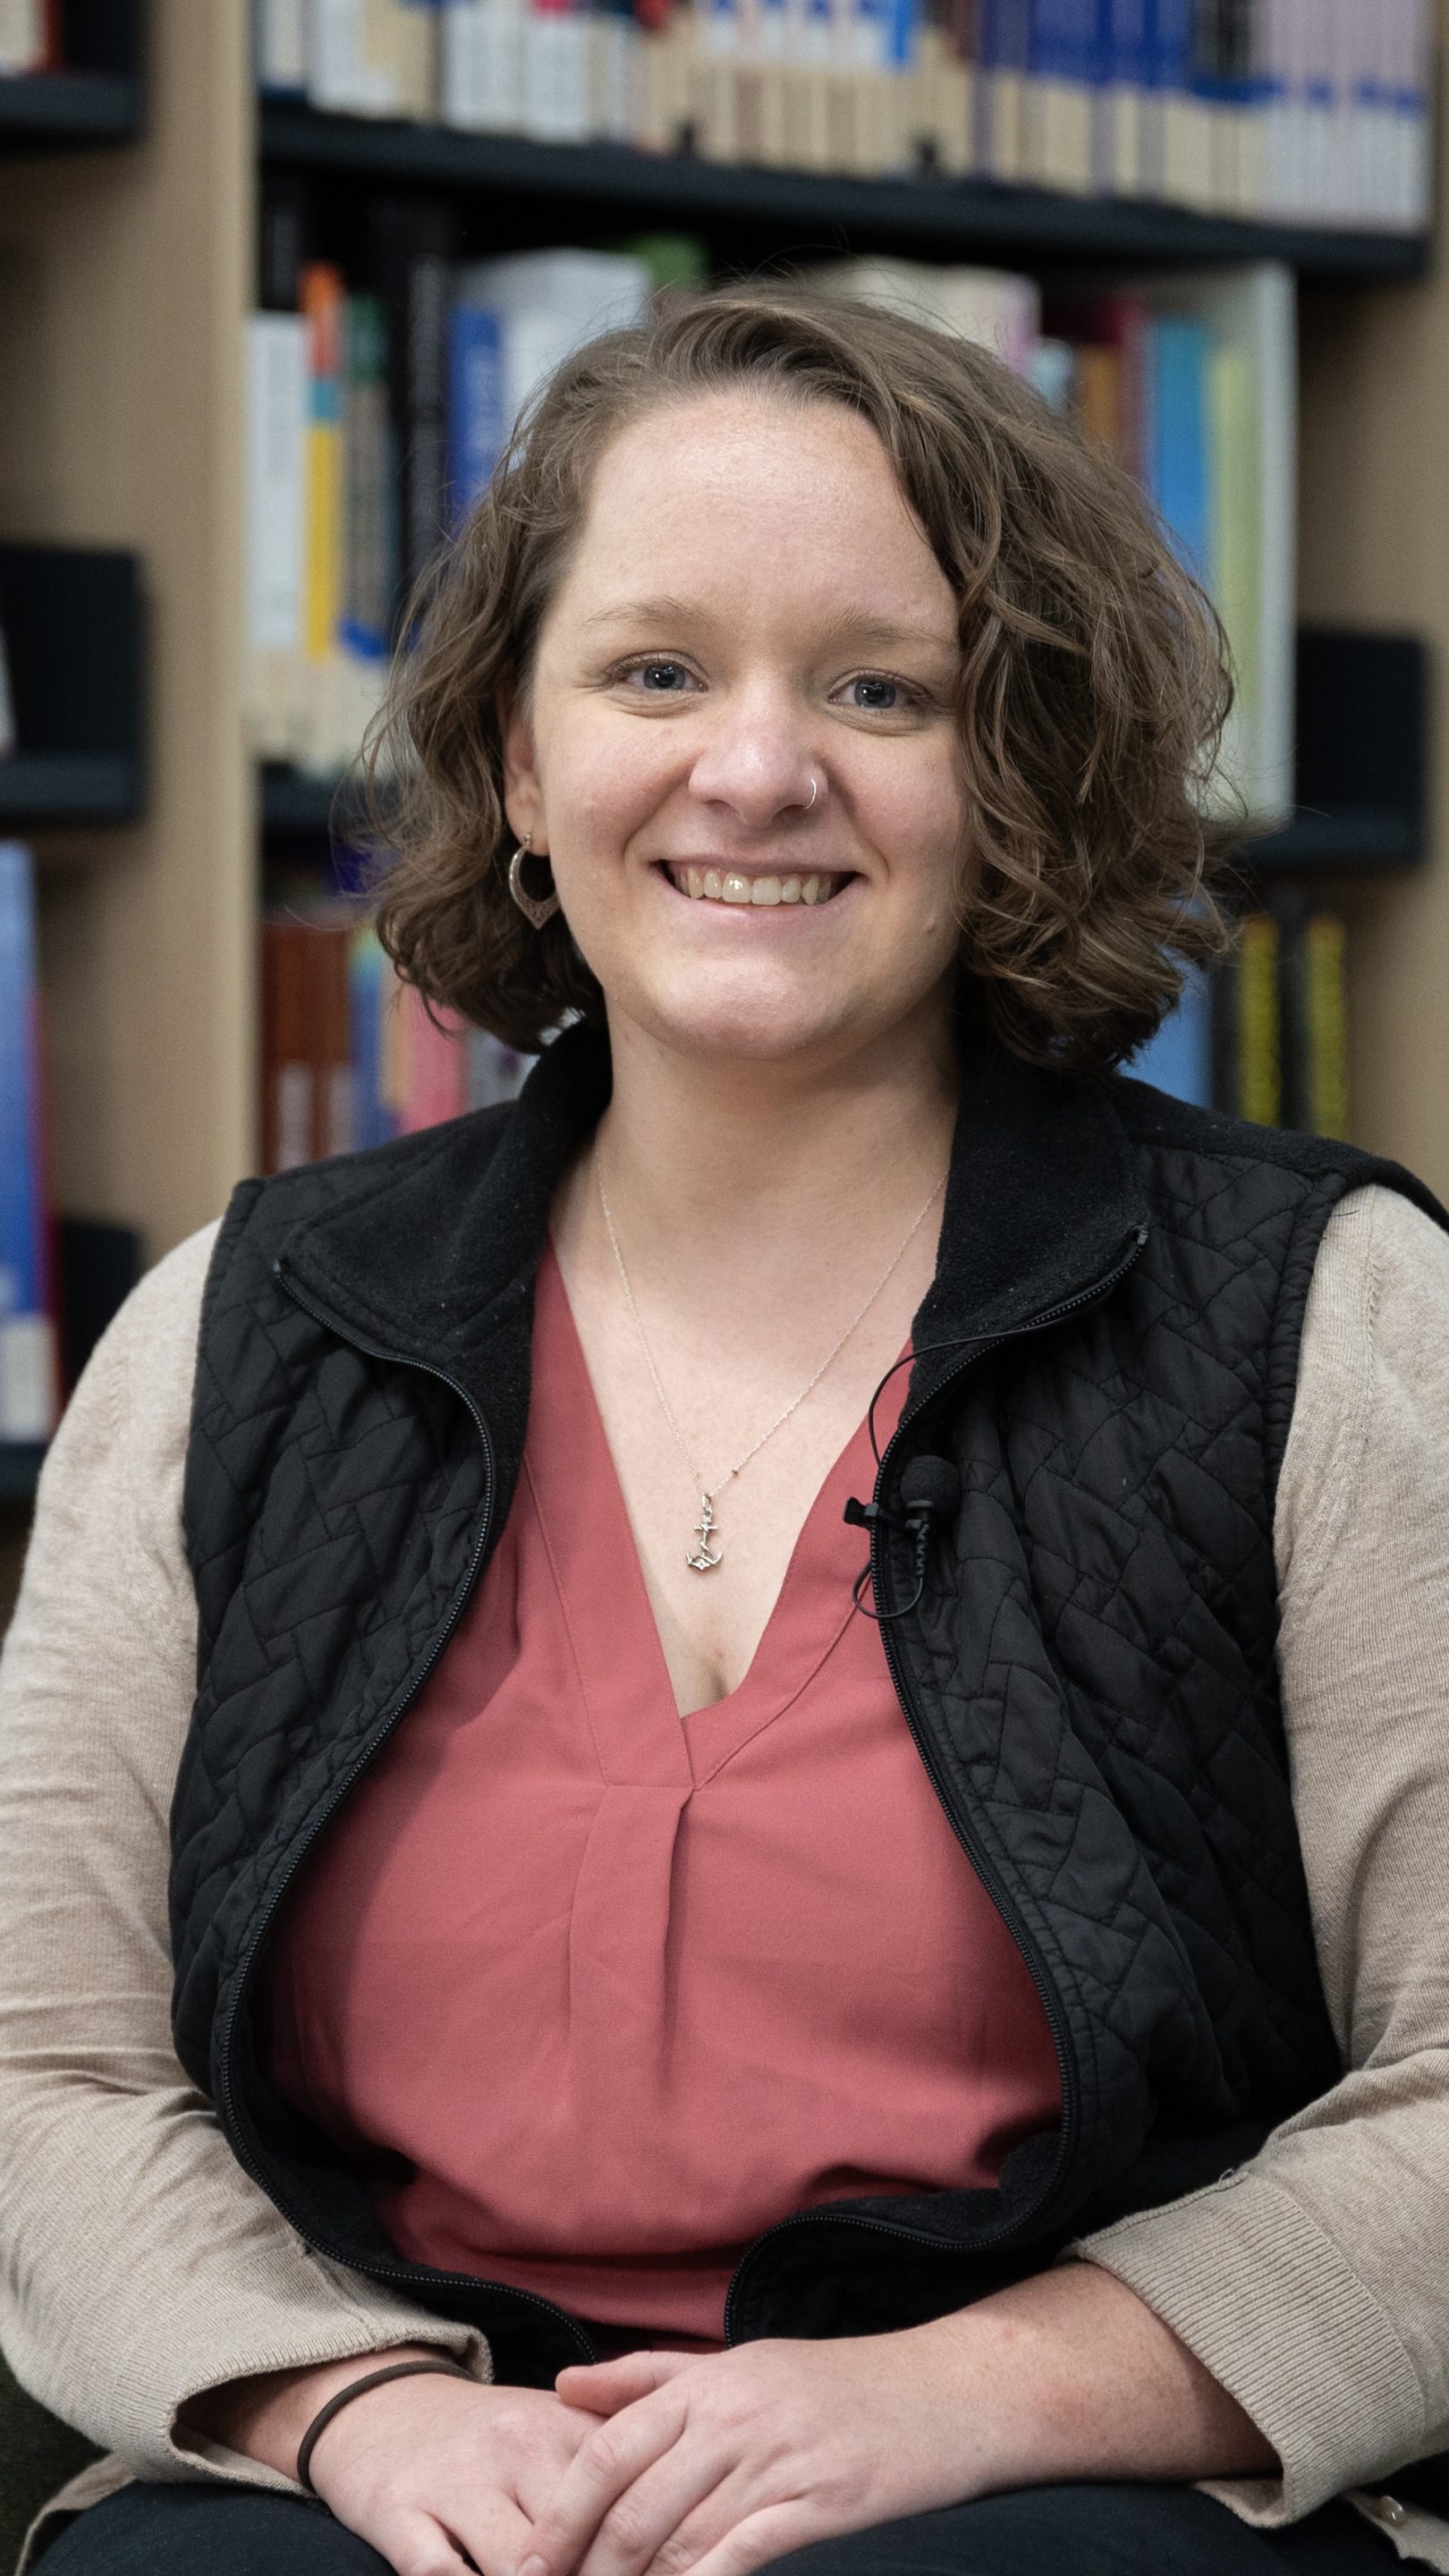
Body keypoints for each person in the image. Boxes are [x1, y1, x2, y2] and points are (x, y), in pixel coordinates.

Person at [3, 286, 1449, 2576]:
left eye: (880, 690)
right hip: (398, 2476)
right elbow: (47, 2075)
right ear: (513, 757)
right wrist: (347, 2410)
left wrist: (973, 2395)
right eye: (657, 671)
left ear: (1017, 767)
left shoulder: (1323, 1322)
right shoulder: (236, 1337)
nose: (756, 771)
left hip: (1054, 2491)